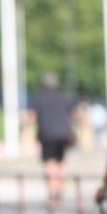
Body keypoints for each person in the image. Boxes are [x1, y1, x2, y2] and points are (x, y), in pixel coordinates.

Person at [28, 73, 76, 206]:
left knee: (49, 163)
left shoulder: (38, 98)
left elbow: (30, 118)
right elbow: (73, 115)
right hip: (64, 134)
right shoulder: (64, 97)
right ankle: (60, 188)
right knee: (61, 162)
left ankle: (53, 191)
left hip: (47, 134)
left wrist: (27, 134)